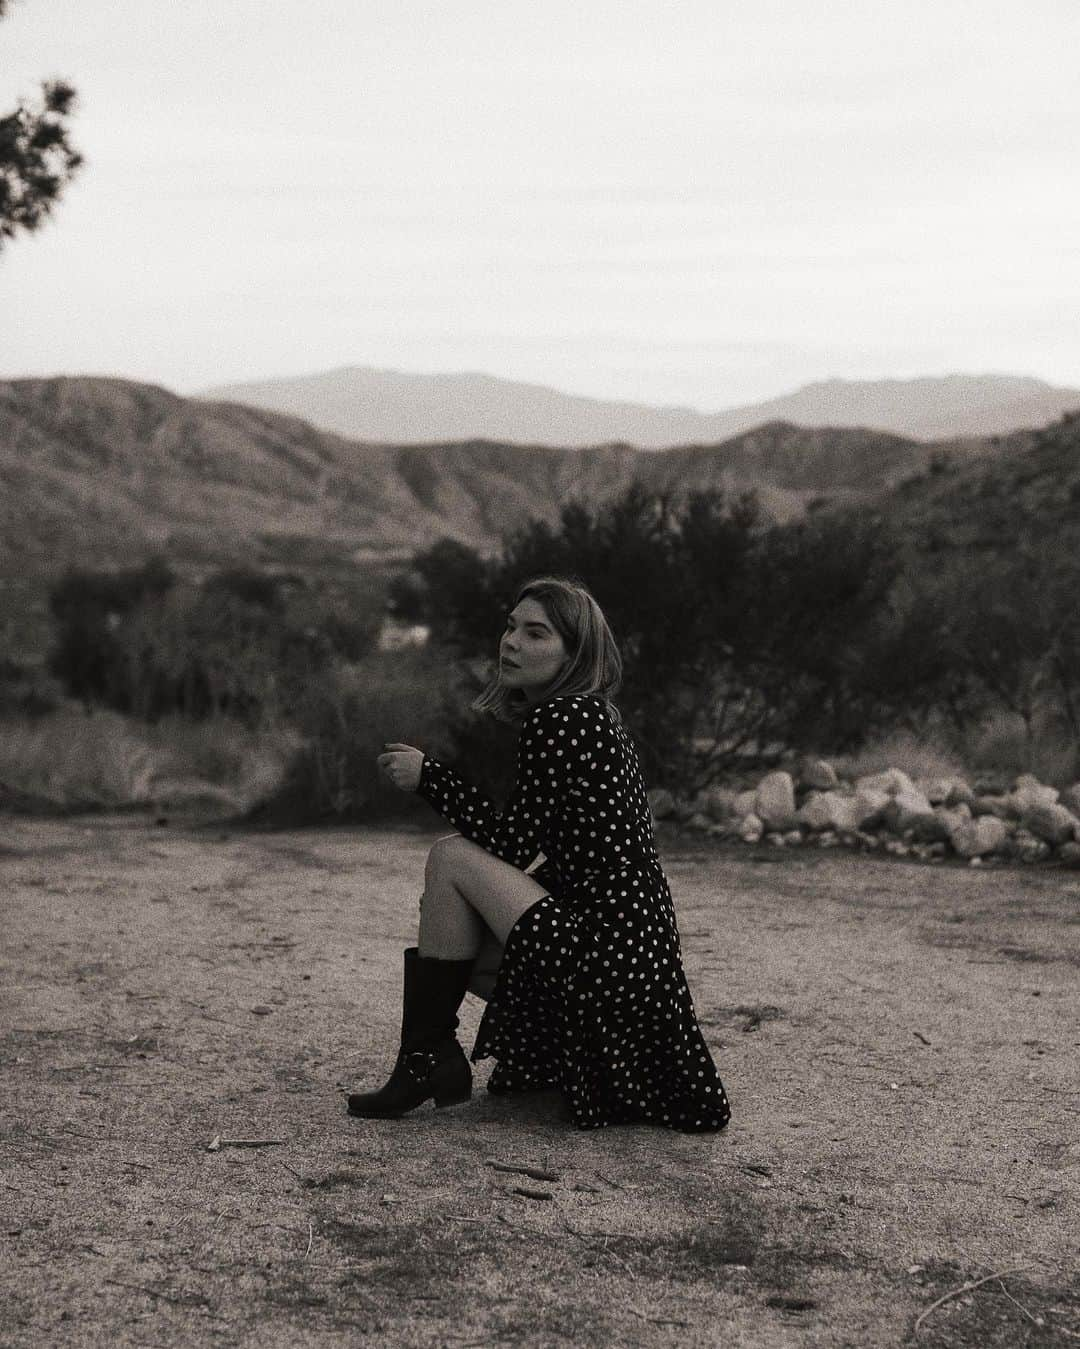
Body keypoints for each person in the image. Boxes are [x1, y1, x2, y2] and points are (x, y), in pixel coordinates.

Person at [346, 575, 731, 1132]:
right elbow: (546, 850)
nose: (511, 642)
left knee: (451, 859)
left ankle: (428, 1060)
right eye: (510, 627)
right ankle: (433, 1061)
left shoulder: (562, 718)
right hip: (637, 959)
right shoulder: (595, 716)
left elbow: (513, 844)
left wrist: (430, 778)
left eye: (536, 633)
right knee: (458, 945)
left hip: (606, 947)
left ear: (575, 653)